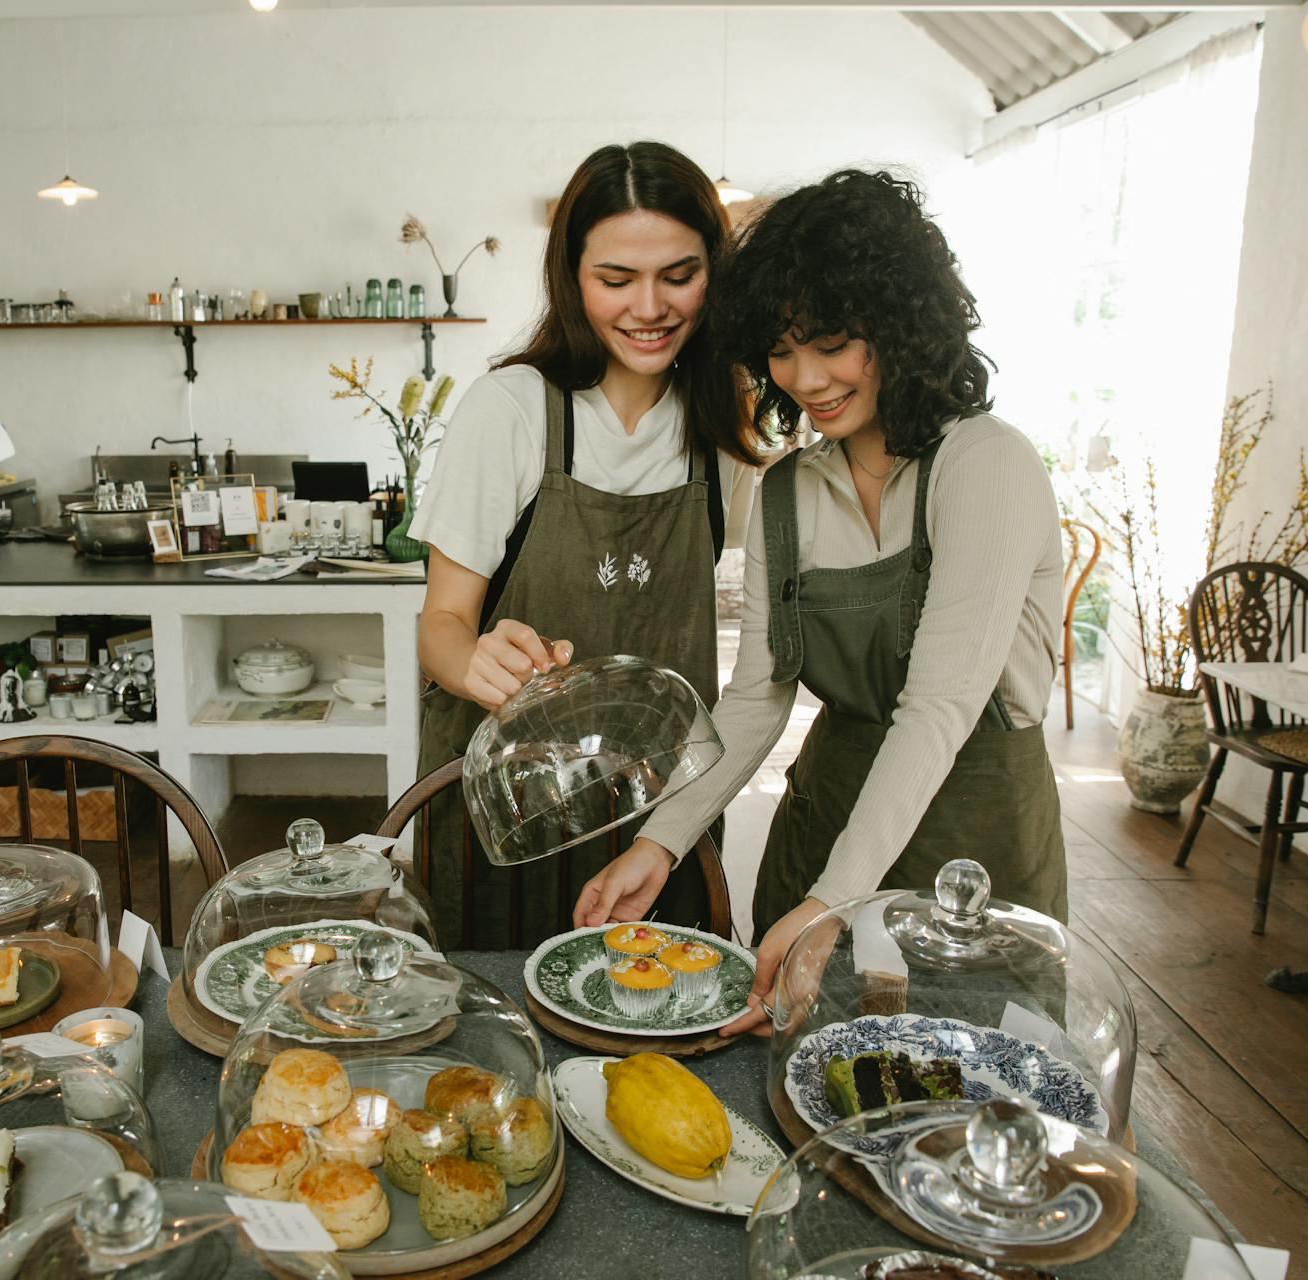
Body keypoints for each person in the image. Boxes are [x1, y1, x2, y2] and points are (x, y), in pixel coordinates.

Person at [574, 169, 1066, 1032]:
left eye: (833, 342)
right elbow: (758, 696)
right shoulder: (790, 492)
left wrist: (836, 899)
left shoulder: (984, 464)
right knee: (807, 1088)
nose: (806, 377)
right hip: (826, 821)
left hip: (972, 845)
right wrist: (663, 838)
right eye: (781, 348)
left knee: (972, 1099)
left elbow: (940, 708)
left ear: (902, 324)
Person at [408, 141, 761, 948]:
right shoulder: (513, 409)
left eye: (679, 275)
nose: (649, 307)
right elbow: (440, 627)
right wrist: (475, 663)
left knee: (653, 1027)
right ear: (571, 279)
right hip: (509, 807)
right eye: (615, 280)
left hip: (658, 817)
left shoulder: (722, 431)